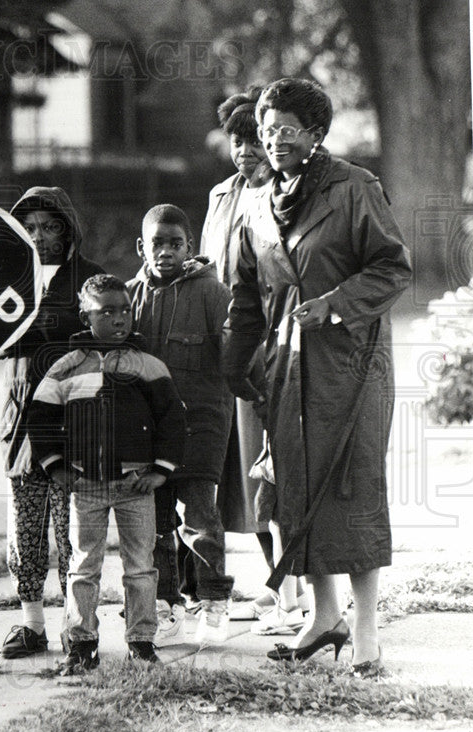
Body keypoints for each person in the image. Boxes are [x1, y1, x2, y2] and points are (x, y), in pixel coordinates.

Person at [223, 78, 411, 677]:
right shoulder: (256, 203)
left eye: (287, 130)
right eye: (267, 129)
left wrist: (333, 302)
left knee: (351, 491)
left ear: (316, 134)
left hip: (351, 367)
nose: (274, 141)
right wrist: (239, 359)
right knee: (296, 490)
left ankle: (366, 632)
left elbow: (392, 267)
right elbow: (247, 295)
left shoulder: (355, 188)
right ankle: (323, 617)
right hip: (286, 369)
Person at [26, 274, 187, 673]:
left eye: (125, 310)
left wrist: (161, 471)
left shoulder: (147, 365)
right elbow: (41, 417)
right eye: (107, 311)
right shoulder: (67, 367)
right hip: (87, 485)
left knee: (141, 567)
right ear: (86, 316)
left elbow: (173, 421)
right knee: (83, 567)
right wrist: (56, 467)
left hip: (137, 484)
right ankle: (82, 646)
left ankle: (142, 642)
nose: (119, 319)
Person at [200, 90, 311, 632]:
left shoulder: (283, 197)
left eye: (253, 141)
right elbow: (210, 267)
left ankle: (294, 595)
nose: (244, 151)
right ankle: (275, 587)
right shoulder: (222, 194)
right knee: (239, 481)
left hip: (271, 343)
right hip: (227, 344)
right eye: (236, 141)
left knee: (270, 471)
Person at [0, 187, 106, 659]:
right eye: (30, 228)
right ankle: (32, 624)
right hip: (22, 420)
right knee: (25, 527)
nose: (39, 237)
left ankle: (76, 627)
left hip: (72, 421)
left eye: (50, 227)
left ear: (68, 230)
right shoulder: (6, 279)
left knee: (73, 530)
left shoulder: (90, 280)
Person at [127, 204, 235, 646]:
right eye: (157, 243)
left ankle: (213, 603)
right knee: (153, 524)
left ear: (190, 247)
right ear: (142, 247)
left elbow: (235, 351)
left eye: (175, 243)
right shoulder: (130, 296)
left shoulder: (212, 294)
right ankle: (165, 606)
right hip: (147, 434)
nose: (166, 252)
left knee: (201, 519)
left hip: (201, 425)